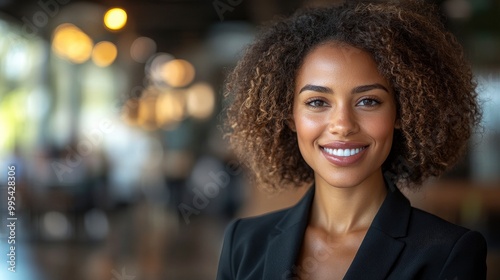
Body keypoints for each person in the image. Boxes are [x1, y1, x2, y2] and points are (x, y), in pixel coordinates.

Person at [216, 0, 487, 279]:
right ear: (289, 116)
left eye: (368, 101)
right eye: (318, 101)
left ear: (401, 113)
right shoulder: (243, 243)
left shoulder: (448, 254)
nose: (343, 125)